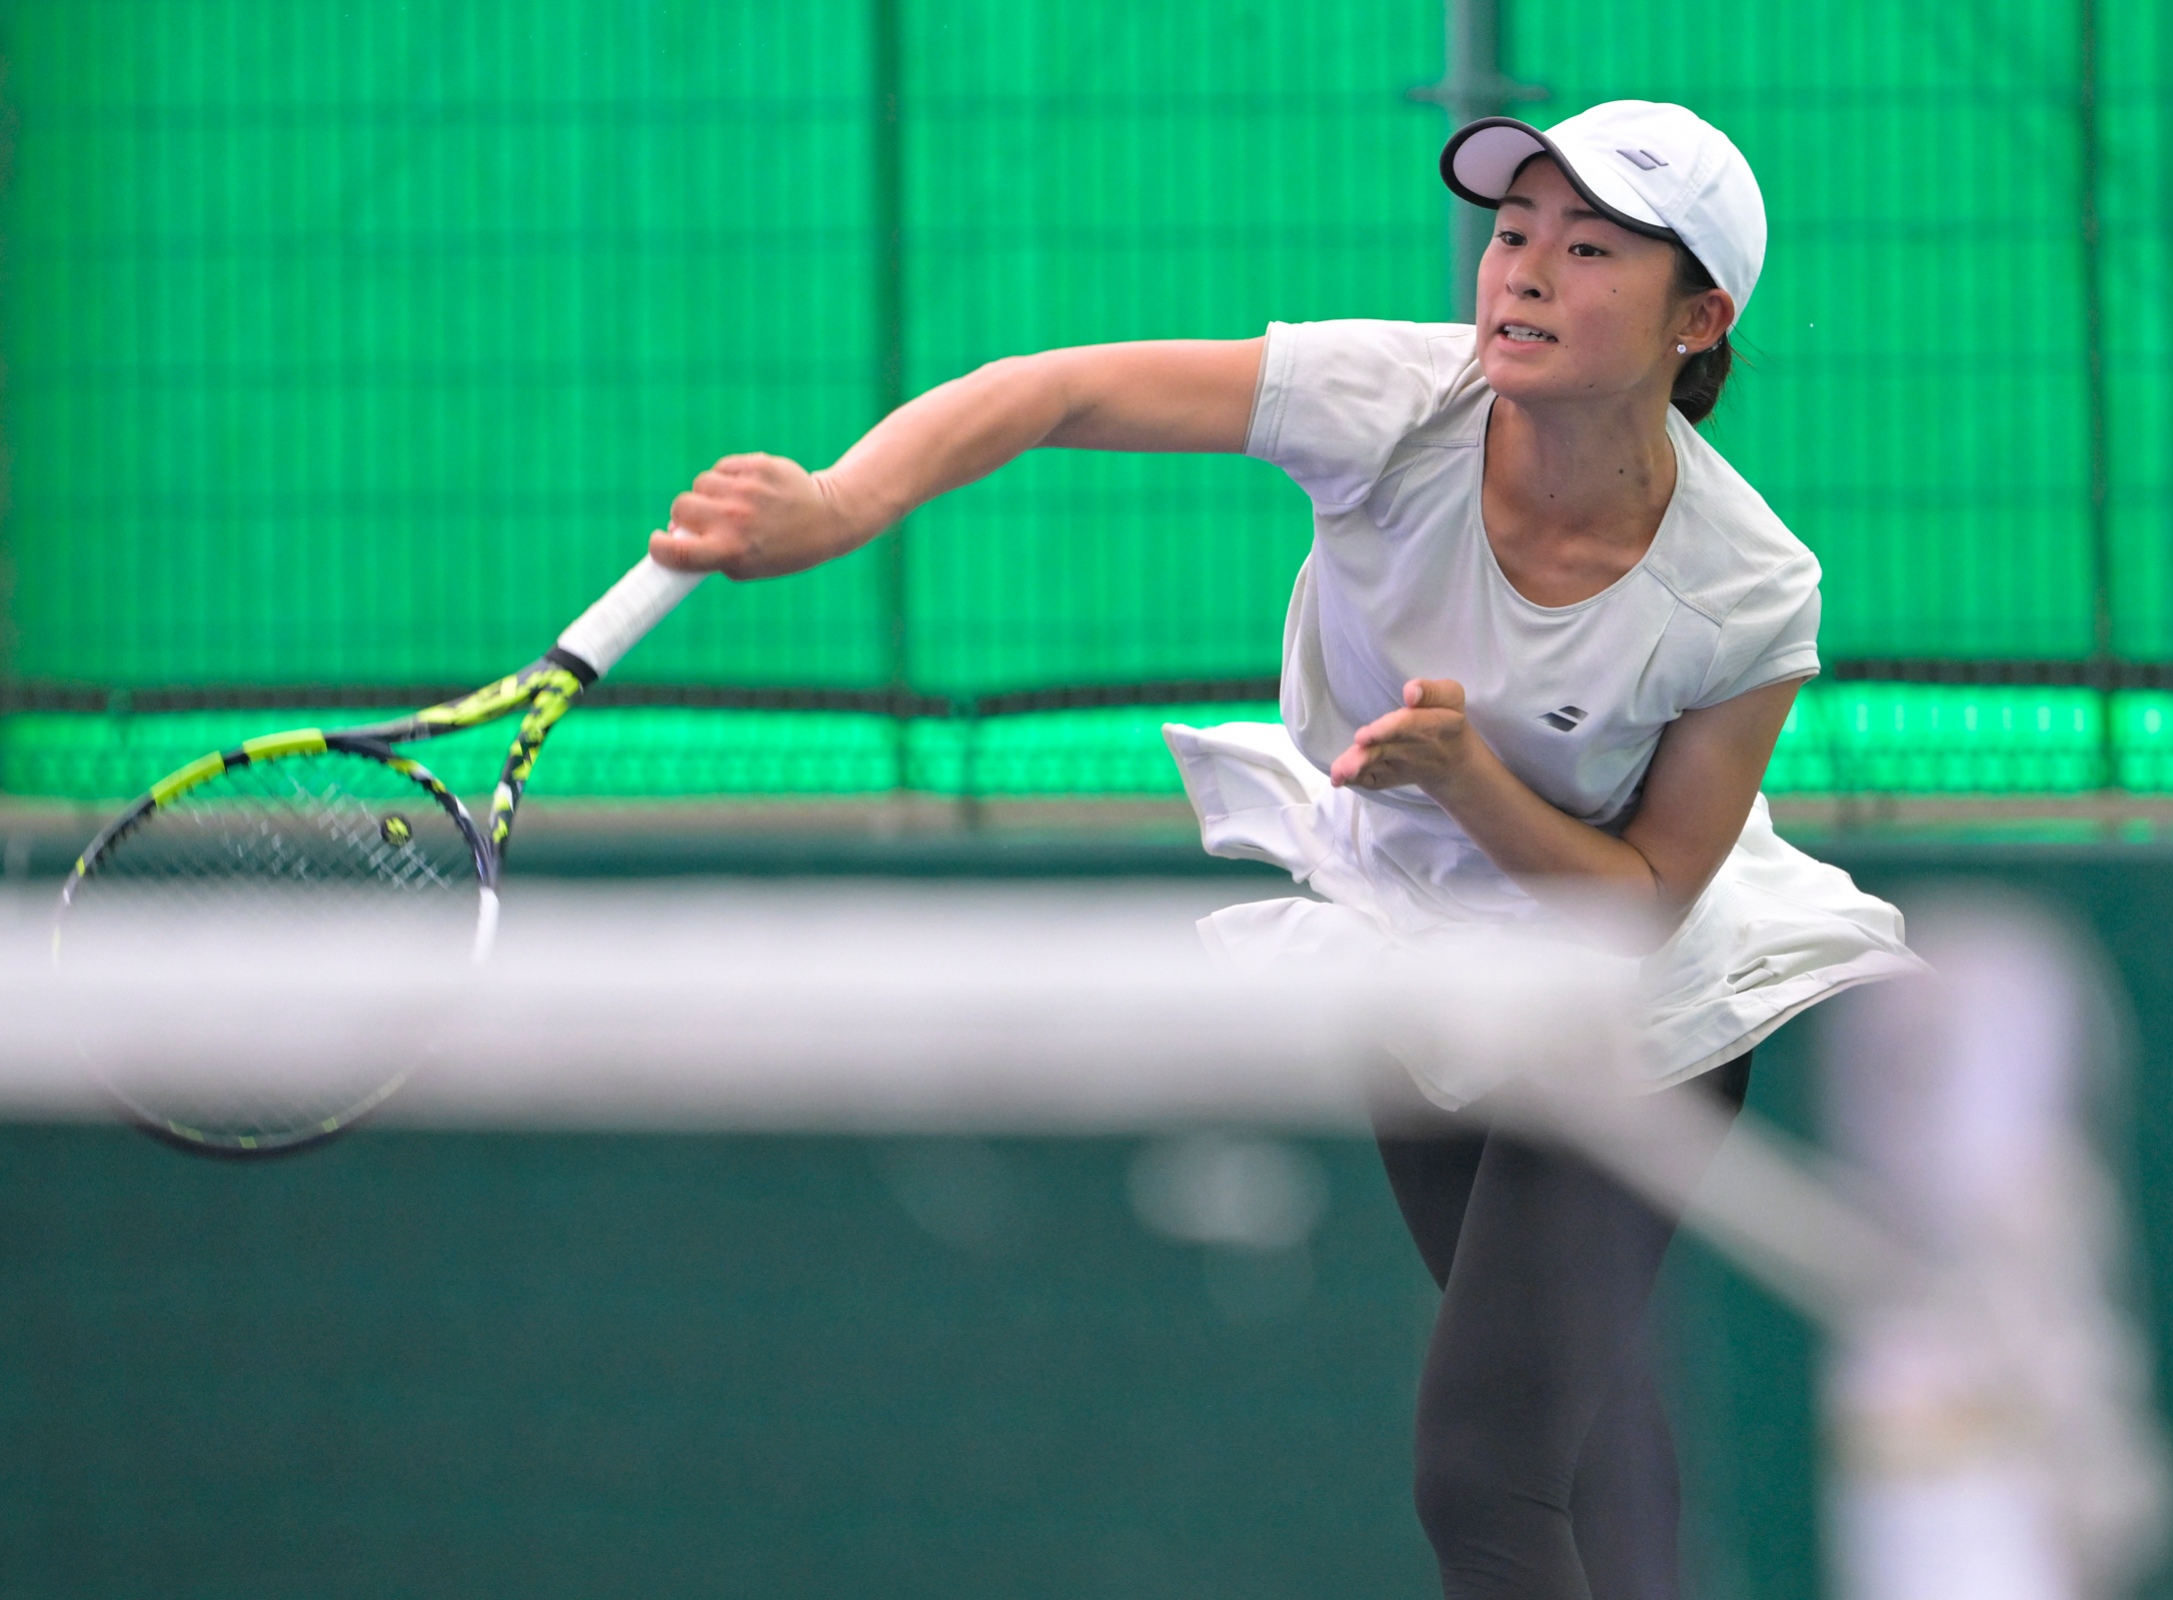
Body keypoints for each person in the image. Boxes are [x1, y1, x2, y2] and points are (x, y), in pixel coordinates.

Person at [654, 99, 1918, 1600]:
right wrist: (837, 503)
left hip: (1633, 1020)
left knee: (1486, 1474)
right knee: (1565, 1439)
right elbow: (1060, 389)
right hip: (1406, 957)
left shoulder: (1747, 589)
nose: (1521, 270)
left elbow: (1639, 907)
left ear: (1696, 320)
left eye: (1589, 250)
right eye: (1512, 231)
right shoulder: (1388, 400)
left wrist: (1469, 779)